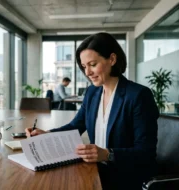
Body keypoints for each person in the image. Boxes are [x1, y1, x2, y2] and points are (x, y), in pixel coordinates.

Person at [25, 32, 159, 190]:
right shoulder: (92, 93)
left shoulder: (138, 95)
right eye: (84, 66)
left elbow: (146, 153)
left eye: (93, 64)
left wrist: (108, 154)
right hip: (95, 171)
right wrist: (47, 135)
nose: (87, 72)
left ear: (112, 59)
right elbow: (76, 125)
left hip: (125, 178)